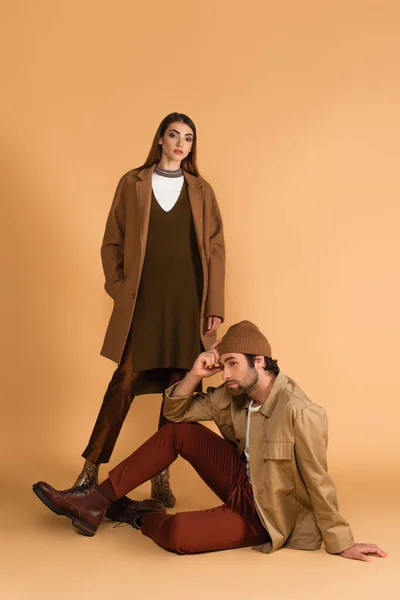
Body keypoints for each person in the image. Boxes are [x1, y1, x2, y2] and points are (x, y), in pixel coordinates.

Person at [33, 321, 387, 561]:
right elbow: (175, 416)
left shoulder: (301, 412)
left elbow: (318, 481)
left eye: (232, 364)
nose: (226, 374)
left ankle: (138, 514)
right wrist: (195, 373)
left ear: (259, 362)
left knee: (178, 534)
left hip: (265, 510)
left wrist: (342, 544)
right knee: (178, 434)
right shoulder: (231, 394)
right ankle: (95, 502)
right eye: (223, 365)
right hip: (237, 479)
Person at [73, 112, 225, 507]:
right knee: (123, 382)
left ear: (192, 145)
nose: (180, 143)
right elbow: (112, 241)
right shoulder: (133, 182)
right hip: (145, 302)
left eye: (188, 138)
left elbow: (215, 249)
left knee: (178, 388)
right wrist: (119, 289)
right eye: (173, 135)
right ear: (160, 139)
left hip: (189, 303)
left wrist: (215, 307)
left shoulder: (202, 189)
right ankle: (89, 472)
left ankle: (160, 475)